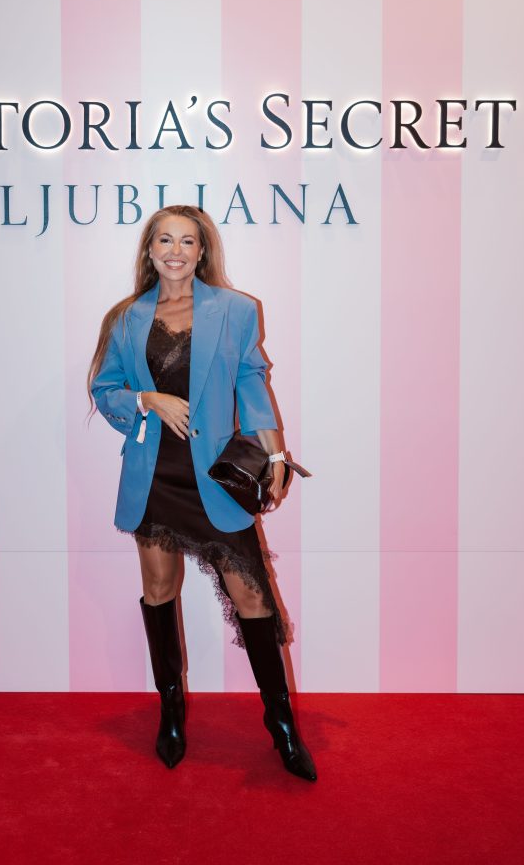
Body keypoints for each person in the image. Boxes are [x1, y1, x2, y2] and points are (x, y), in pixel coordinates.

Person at [87, 204, 316, 782]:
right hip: (154, 477)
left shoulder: (237, 310)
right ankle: (171, 712)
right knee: (159, 591)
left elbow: (252, 380)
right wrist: (147, 400)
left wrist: (276, 454)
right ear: (149, 250)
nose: (175, 251)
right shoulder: (125, 318)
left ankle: (282, 725)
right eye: (164, 240)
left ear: (202, 251)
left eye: (187, 241)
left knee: (253, 599)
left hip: (214, 477)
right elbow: (105, 389)